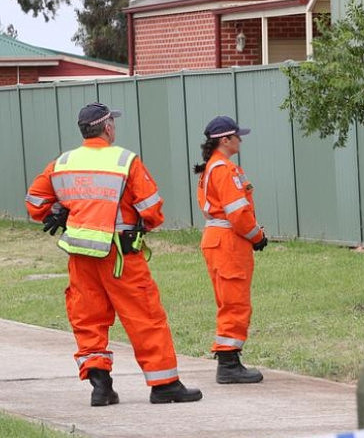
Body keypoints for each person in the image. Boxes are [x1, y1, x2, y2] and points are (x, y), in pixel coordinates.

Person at [24, 102, 202, 406]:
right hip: (120, 253)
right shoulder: (125, 161)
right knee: (144, 315)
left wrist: (62, 211)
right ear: (108, 127)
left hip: (80, 255)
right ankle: (164, 384)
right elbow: (152, 210)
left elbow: (35, 203)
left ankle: (100, 386)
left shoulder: (63, 163)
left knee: (88, 318)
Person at [194, 115, 268, 383]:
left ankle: (229, 360)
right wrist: (257, 236)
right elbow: (237, 213)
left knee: (228, 300)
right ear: (225, 140)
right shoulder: (223, 169)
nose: (241, 139)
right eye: (237, 135)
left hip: (217, 238)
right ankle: (228, 363)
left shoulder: (212, 168)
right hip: (229, 240)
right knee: (235, 301)